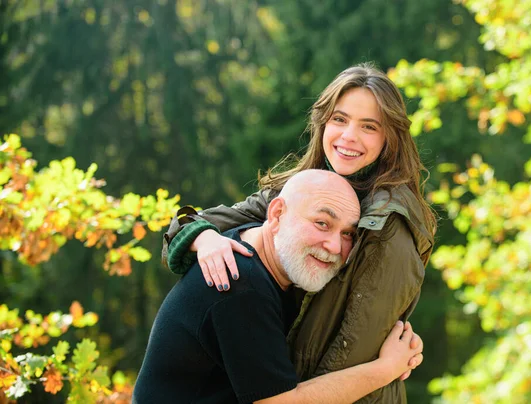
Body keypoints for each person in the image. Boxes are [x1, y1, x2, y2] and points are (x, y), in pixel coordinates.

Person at [163, 63, 436, 402]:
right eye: (340, 119)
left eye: (369, 126)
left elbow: (350, 350)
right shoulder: (300, 188)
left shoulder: (388, 224)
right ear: (323, 123)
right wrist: (204, 238)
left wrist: (391, 365)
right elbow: (190, 223)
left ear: (390, 138)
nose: (349, 136)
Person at [134, 170, 421, 403]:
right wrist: (386, 369)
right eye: (322, 223)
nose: (335, 246)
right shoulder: (240, 285)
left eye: (348, 233)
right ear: (276, 214)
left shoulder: (256, 250)